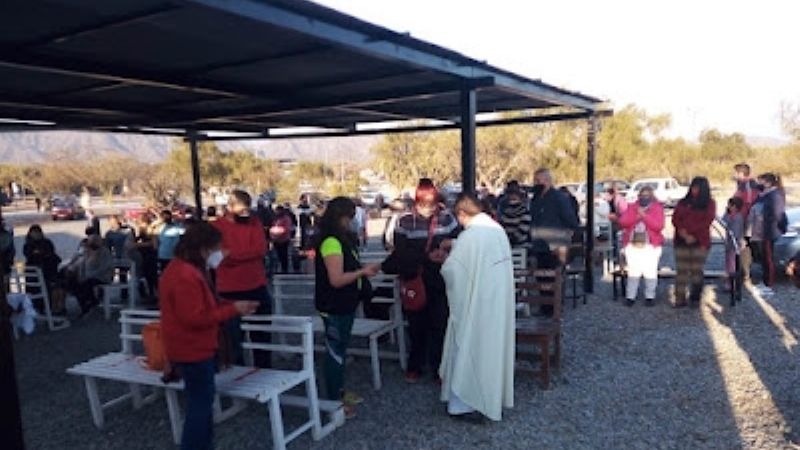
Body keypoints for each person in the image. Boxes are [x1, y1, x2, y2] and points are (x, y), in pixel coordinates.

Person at [159, 222, 259, 450]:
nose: (220, 253)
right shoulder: (186, 275)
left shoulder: (182, 269)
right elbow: (195, 318)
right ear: (203, 248)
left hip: (187, 346)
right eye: (216, 248)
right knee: (200, 405)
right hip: (193, 349)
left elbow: (204, 305)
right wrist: (233, 310)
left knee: (201, 402)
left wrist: (231, 305)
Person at [439, 193, 515, 422]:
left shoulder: (470, 236)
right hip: (495, 301)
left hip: (474, 305)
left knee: (468, 347)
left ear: (461, 213)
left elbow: (454, 271)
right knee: (489, 351)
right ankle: (488, 398)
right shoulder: (496, 230)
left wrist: (444, 261)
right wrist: (455, 244)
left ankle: (463, 404)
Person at [382, 178, 459, 383]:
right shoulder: (404, 220)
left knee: (439, 324)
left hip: (440, 279)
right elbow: (400, 252)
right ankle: (415, 365)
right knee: (416, 325)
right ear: (417, 201)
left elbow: (458, 243)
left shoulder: (447, 218)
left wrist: (446, 253)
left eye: (432, 203)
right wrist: (426, 257)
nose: (428, 208)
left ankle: (439, 369)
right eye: (424, 203)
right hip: (415, 278)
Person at [314, 197, 381, 417]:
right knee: (334, 353)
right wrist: (362, 272)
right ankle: (333, 401)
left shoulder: (344, 239)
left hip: (346, 303)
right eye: (351, 217)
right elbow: (336, 279)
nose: (353, 221)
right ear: (342, 217)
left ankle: (339, 391)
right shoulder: (331, 241)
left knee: (341, 350)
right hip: (333, 305)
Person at [212, 190, 271, 367]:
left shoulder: (255, 223)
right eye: (241, 211)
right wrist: (245, 255)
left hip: (257, 285)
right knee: (232, 339)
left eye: (247, 210)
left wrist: (232, 255)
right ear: (229, 208)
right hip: (229, 290)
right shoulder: (216, 227)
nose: (245, 214)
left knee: (262, 334)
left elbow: (261, 249)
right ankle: (236, 374)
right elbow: (218, 256)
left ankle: (264, 371)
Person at [672, 177, 716, 308]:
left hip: (700, 241)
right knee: (681, 270)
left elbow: (707, 221)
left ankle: (695, 298)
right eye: (693, 187)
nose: (694, 190)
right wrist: (683, 233)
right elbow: (675, 219)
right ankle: (679, 298)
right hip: (681, 240)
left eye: (697, 188)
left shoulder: (709, 203)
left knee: (696, 271)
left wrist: (691, 233)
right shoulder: (683, 202)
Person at [617, 186, 665, 306]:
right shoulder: (632, 207)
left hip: (650, 245)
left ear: (651, 196)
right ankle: (630, 296)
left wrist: (644, 217)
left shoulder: (657, 208)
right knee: (633, 272)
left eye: (647, 195)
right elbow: (623, 222)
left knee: (650, 271)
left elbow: (658, 226)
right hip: (633, 244)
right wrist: (637, 217)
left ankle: (650, 296)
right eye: (642, 195)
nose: (644, 198)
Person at [529, 168, 580, 263]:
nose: (535, 184)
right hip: (538, 244)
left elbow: (569, 218)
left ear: (547, 181)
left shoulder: (559, 198)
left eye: (538, 181)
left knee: (557, 272)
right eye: (534, 181)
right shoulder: (535, 199)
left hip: (556, 243)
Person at [748, 173, 786, 297]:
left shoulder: (775, 195)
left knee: (768, 258)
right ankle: (765, 281)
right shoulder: (765, 195)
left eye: (762, 181)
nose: (760, 184)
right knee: (764, 258)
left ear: (768, 183)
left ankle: (769, 284)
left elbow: (778, 213)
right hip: (761, 231)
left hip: (768, 231)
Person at [71, 235, 114, 316]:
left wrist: (89, 275)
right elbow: (82, 265)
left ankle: (92, 301)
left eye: (94, 241)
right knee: (74, 284)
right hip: (89, 276)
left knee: (87, 283)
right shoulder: (87, 252)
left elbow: (104, 268)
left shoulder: (104, 252)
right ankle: (85, 305)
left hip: (102, 277)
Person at [733, 163, 759, 282]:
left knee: (744, 247)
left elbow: (748, 205)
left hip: (745, 221)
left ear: (741, 173)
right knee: (743, 247)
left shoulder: (748, 186)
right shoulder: (742, 185)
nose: (734, 175)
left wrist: (745, 224)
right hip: (742, 220)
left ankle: (744, 273)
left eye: (735, 172)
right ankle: (744, 272)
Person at [23, 224, 62, 305]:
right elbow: (31, 256)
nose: (36, 234)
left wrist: (41, 254)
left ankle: (54, 305)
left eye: (38, 232)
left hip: (49, 270)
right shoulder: (28, 245)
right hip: (34, 272)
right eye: (34, 232)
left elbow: (51, 254)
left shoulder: (47, 242)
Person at [722, 197, 745, 291]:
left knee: (732, 263)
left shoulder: (738, 217)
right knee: (728, 262)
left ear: (735, 206)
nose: (728, 207)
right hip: (730, 243)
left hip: (735, 243)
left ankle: (731, 282)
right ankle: (729, 281)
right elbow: (723, 221)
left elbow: (735, 232)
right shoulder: (731, 215)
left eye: (730, 205)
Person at [270, 206, 294, 273]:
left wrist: (277, 232)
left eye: (278, 211)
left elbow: (286, 229)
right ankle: (278, 268)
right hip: (276, 239)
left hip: (284, 239)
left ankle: (284, 268)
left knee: (283, 254)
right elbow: (273, 226)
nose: (276, 212)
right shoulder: (276, 219)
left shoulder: (286, 219)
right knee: (277, 255)